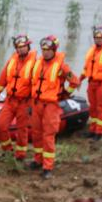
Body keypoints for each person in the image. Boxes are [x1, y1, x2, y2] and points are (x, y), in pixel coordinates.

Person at [29, 35, 79, 179]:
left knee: (48, 135)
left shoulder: (61, 66)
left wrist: (64, 94)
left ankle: (48, 166)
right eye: (43, 49)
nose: (45, 52)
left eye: (48, 50)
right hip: (37, 103)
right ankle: (38, 160)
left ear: (54, 50)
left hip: (51, 105)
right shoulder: (38, 63)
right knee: (37, 134)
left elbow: (74, 81)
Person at [0, 34, 37, 161]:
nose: (20, 49)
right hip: (10, 100)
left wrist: (33, 105)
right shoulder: (12, 61)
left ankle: (20, 155)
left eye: (23, 47)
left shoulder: (35, 63)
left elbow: (38, 86)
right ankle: (7, 150)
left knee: (22, 130)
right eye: (18, 47)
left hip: (25, 102)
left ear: (28, 46)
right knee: (1, 126)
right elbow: (1, 82)